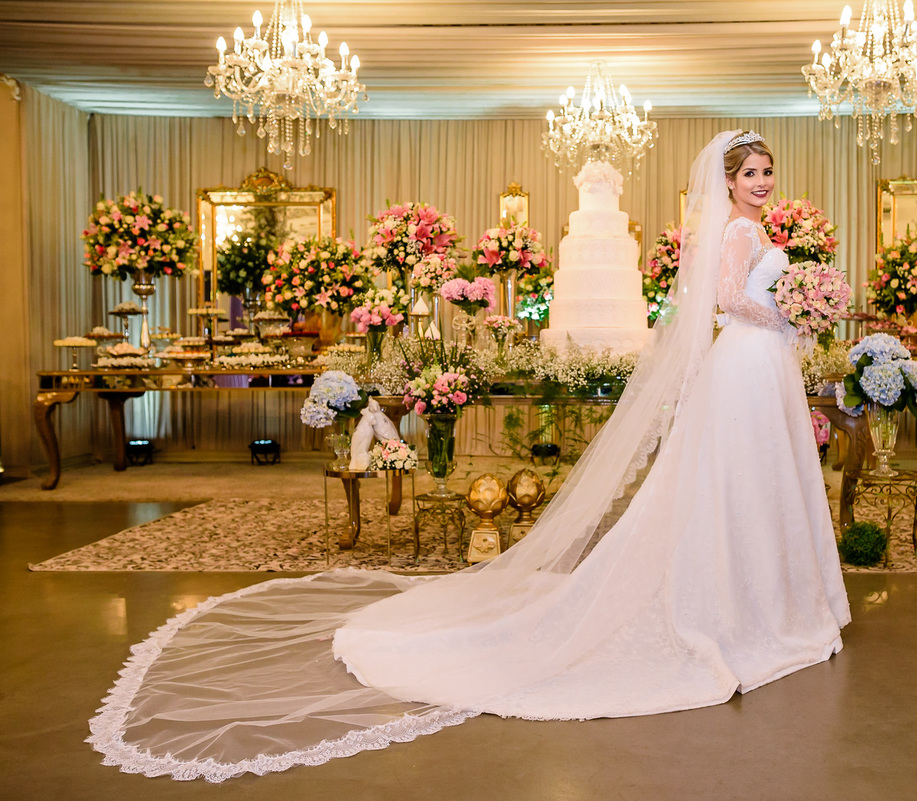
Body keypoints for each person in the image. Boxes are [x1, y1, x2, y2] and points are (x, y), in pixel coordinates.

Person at [89, 130, 850, 782]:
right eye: (751, 174)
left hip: (761, 365)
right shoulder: (739, 234)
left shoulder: (756, 229)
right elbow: (727, 300)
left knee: (760, 481)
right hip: (749, 358)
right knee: (738, 483)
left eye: (767, 173)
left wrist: (794, 312)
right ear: (728, 182)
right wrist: (791, 310)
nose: (762, 183)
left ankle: (766, 597)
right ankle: (748, 603)